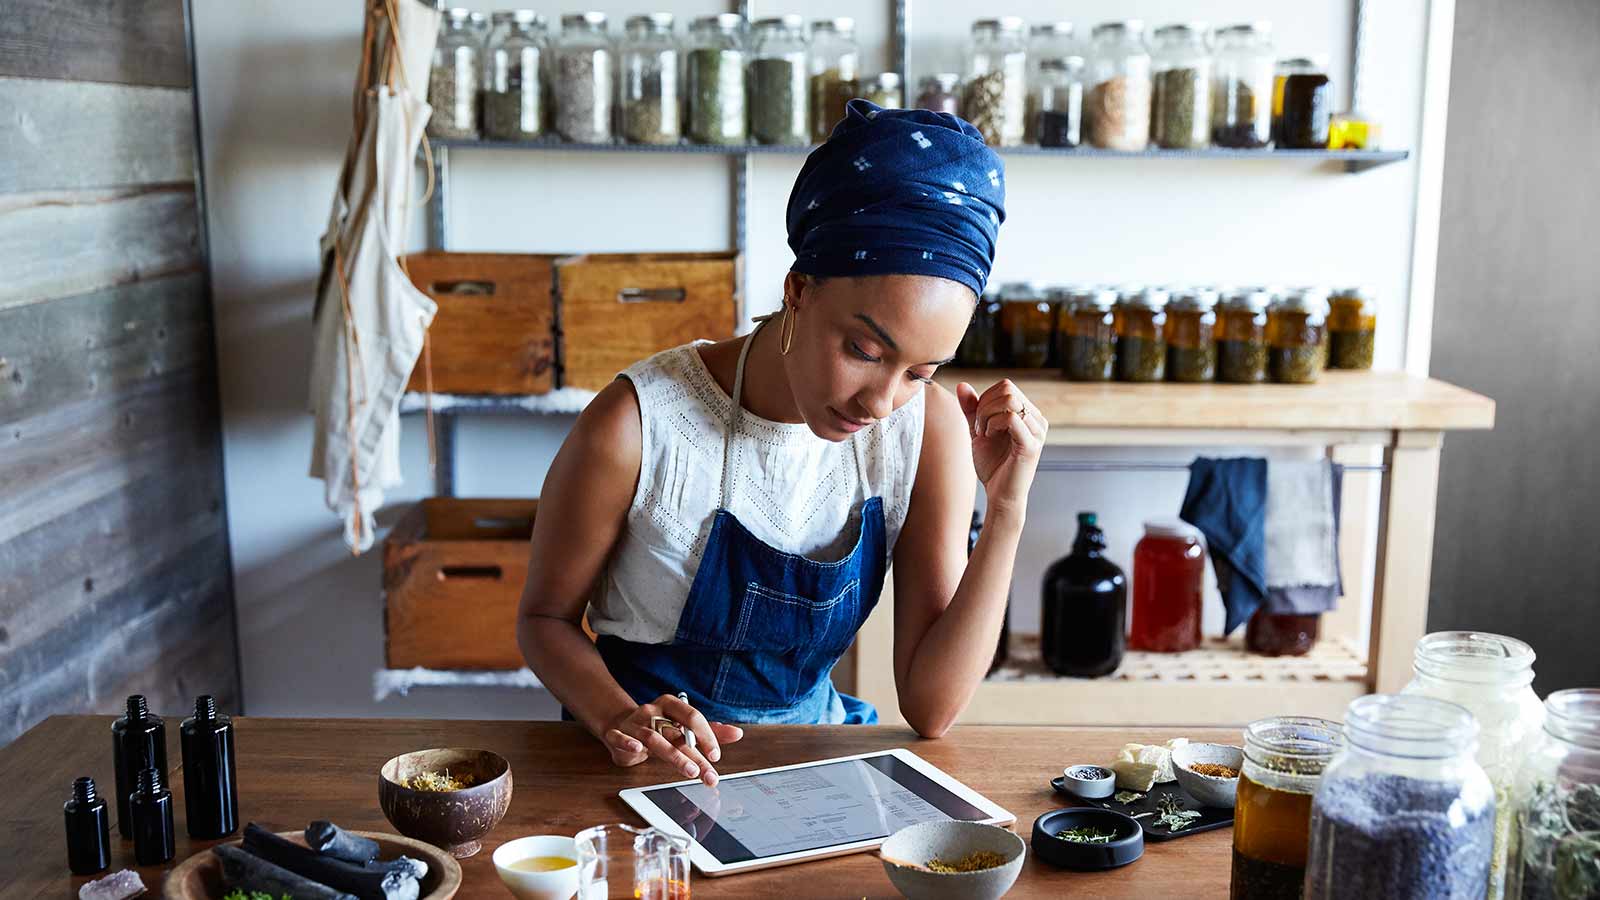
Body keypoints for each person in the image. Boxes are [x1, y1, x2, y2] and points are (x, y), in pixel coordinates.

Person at [518, 101, 1046, 787]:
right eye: (862, 349)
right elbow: (544, 621)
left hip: (809, 768)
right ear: (797, 290)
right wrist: (620, 716)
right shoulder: (637, 423)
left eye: (920, 372)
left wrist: (1006, 510)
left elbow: (932, 707)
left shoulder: (928, 429)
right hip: (634, 766)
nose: (881, 401)